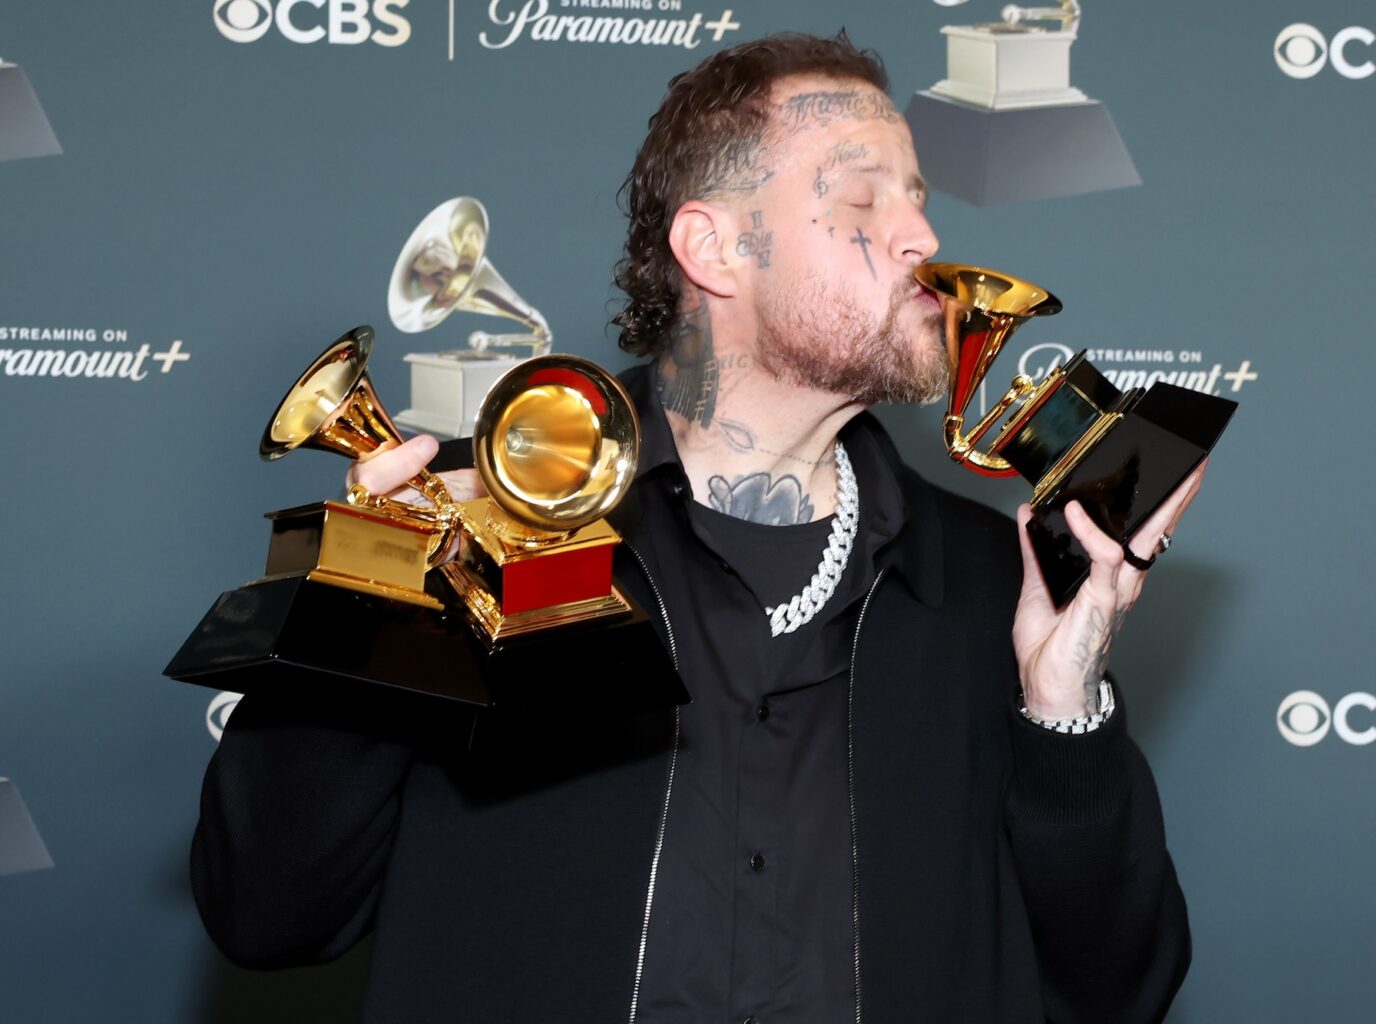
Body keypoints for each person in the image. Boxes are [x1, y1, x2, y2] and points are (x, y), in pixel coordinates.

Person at [193, 32, 1200, 1024]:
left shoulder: (994, 579)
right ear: (713, 247)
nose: (922, 240)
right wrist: (372, 603)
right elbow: (268, 914)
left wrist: (1063, 707)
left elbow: (1120, 990)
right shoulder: (472, 526)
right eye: (862, 199)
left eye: (919, 198)